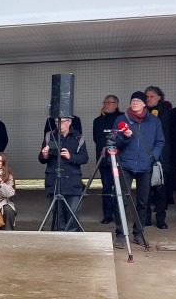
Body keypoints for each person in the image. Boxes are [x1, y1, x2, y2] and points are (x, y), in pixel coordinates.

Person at [112, 91, 164, 248]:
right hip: (125, 165)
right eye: (132, 100)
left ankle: (138, 233)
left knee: (143, 201)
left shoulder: (154, 121)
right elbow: (115, 142)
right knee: (121, 199)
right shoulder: (121, 120)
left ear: (144, 104)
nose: (134, 103)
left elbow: (160, 142)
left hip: (145, 166)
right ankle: (121, 234)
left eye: (137, 100)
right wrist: (126, 136)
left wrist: (152, 158)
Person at [39, 116, 88, 231]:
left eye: (63, 122)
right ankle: (60, 238)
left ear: (69, 122)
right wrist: (44, 155)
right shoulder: (49, 136)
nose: (59, 125)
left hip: (72, 182)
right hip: (54, 180)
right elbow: (41, 159)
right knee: (57, 215)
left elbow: (84, 158)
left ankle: (74, 238)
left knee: (73, 214)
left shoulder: (78, 137)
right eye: (57, 122)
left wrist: (71, 156)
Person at [144, 86, 171, 229]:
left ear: (159, 97)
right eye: (147, 96)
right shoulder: (142, 113)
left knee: (160, 189)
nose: (148, 99)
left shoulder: (165, 112)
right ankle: (146, 218)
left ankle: (160, 218)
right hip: (145, 156)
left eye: (151, 96)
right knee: (145, 190)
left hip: (161, 156)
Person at [92, 95, 122, 224]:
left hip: (119, 159)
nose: (106, 104)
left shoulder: (122, 119)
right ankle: (108, 214)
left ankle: (120, 214)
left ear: (116, 104)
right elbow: (96, 138)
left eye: (110, 102)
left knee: (119, 188)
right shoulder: (97, 121)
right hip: (103, 159)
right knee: (106, 188)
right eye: (105, 102)